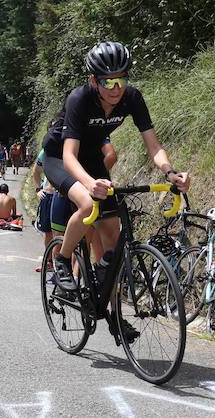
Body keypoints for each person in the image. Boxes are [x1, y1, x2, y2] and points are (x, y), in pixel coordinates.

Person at [42, 42, 190, 314]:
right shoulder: (79, 99)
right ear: (93, 80)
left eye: (121, 79)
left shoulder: (132, 98)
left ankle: (115, 316)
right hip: (59, 158)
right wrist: (90, 184)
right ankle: (62, 259)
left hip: (92, 159)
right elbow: (69, 156)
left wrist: (171, 172)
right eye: (107, 82)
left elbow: (154, 146)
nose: (116, 88)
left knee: (112, 234)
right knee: (88, 203)